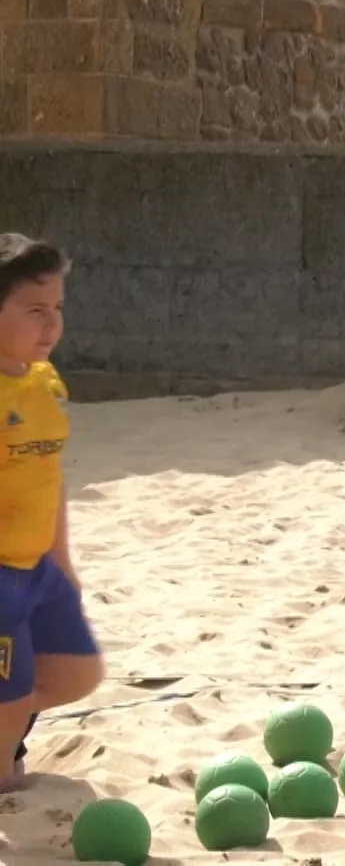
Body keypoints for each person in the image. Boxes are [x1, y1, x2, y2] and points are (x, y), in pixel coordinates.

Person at [0, 235, 106, 791]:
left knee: (77, 672)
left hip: (36, 566)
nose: (52, 325)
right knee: (6, 779)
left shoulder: (45, 383)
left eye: (58, 309)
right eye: (34, 310)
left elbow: (50, 478)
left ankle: (7, 728)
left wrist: (62, 560)